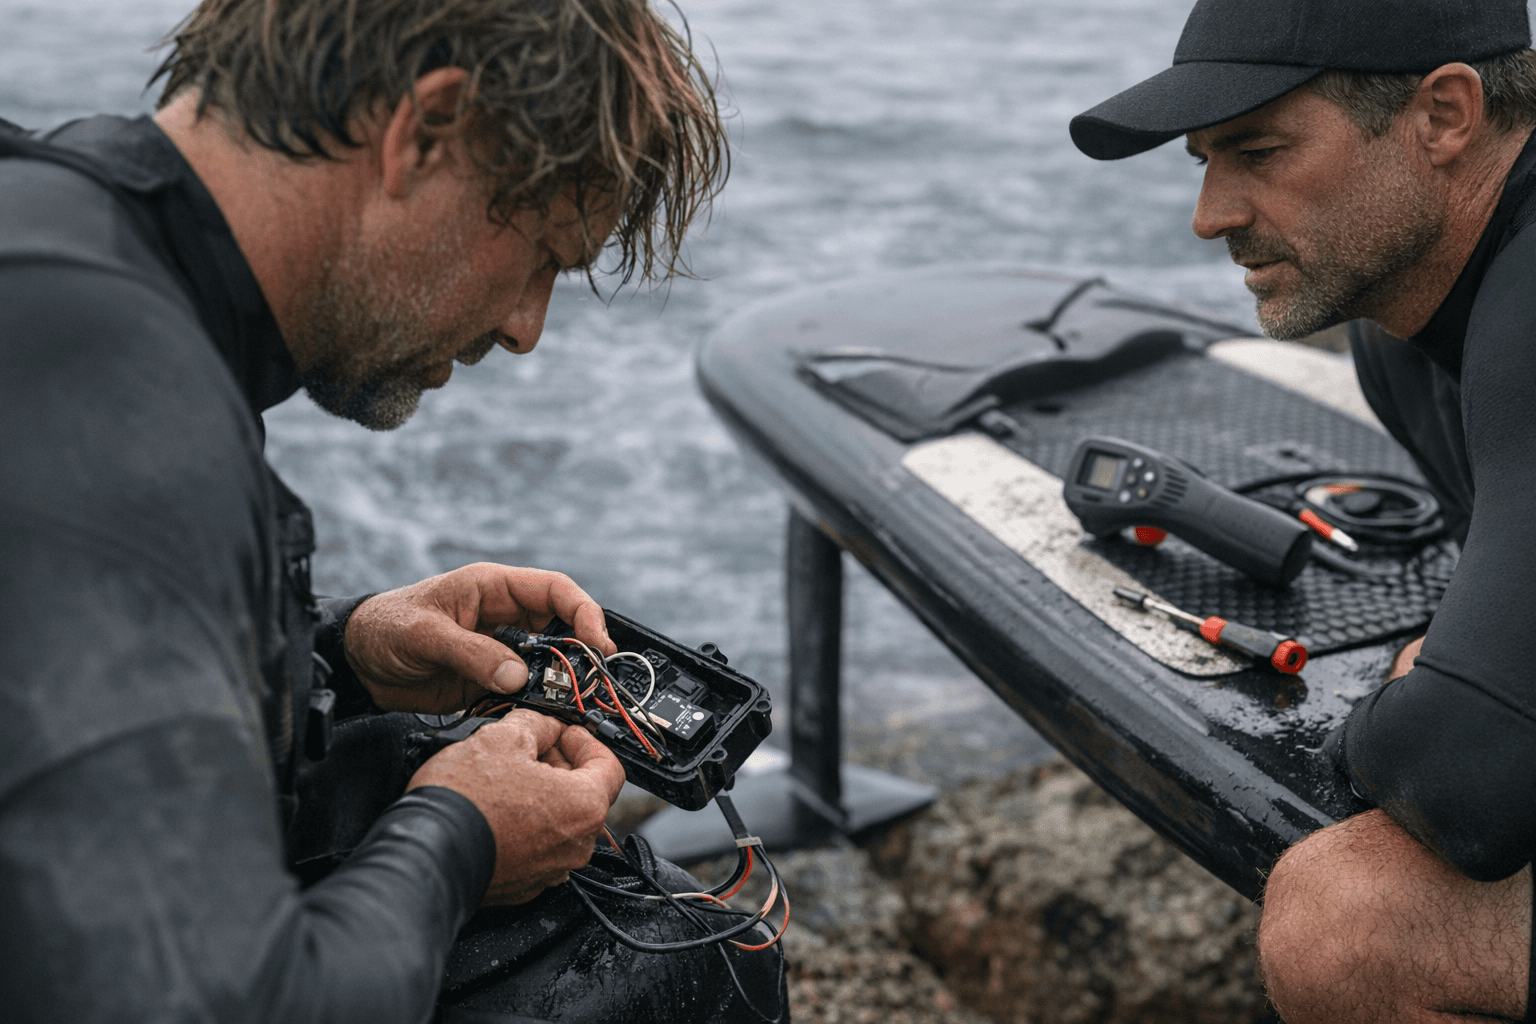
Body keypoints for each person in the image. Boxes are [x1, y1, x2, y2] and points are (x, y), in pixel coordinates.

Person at [0, 1, 782, 1021]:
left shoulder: (64, 229)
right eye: (543, 253)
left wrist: (337, 655)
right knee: (698, 960)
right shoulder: (123, 417)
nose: (524, 327)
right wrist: (457, 835)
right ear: (429, 133)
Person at [1070, 0, 1536, 1020]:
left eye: (1259, 150)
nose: (1211, 212)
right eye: (1202, 159)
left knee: (1345, 924)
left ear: (1446, 114)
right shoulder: (1402, 322)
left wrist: (1397, 711)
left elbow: (1470, 779)